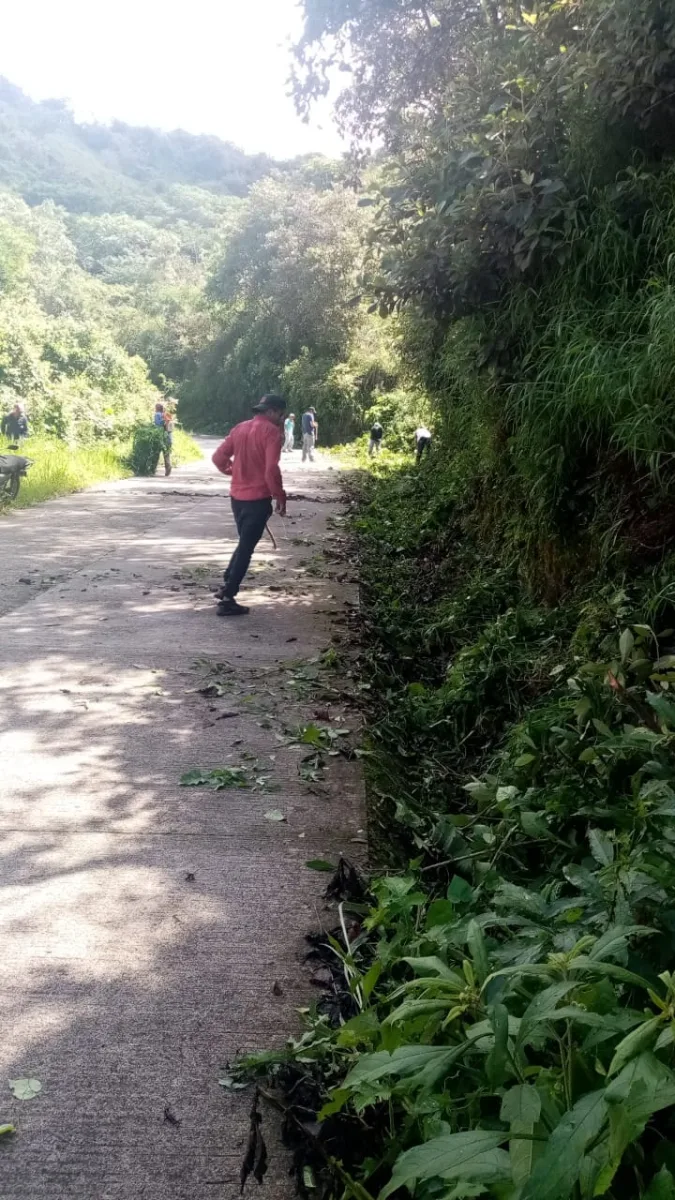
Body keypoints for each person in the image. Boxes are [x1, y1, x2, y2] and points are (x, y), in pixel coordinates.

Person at [211, 394, 287, 617]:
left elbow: (218, 458)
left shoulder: (240, 428)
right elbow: (271, 469)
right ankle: (228, 598)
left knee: (244, 543)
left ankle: (227, 582)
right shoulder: (271, 432)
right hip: (258, 499)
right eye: (280, 415)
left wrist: (232, 471)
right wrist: (280, 496)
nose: (281, 419)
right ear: (273, 411)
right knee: (246, 549)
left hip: (237, 499)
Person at [153, 402, 173, 476]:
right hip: (168, 437)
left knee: (156, 453)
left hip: (160, 436)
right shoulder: (167, 414)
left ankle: (153, 469)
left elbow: (158, 425)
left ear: (157, 408)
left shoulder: (157, 414)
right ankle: (168, 469)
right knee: (166, 454)